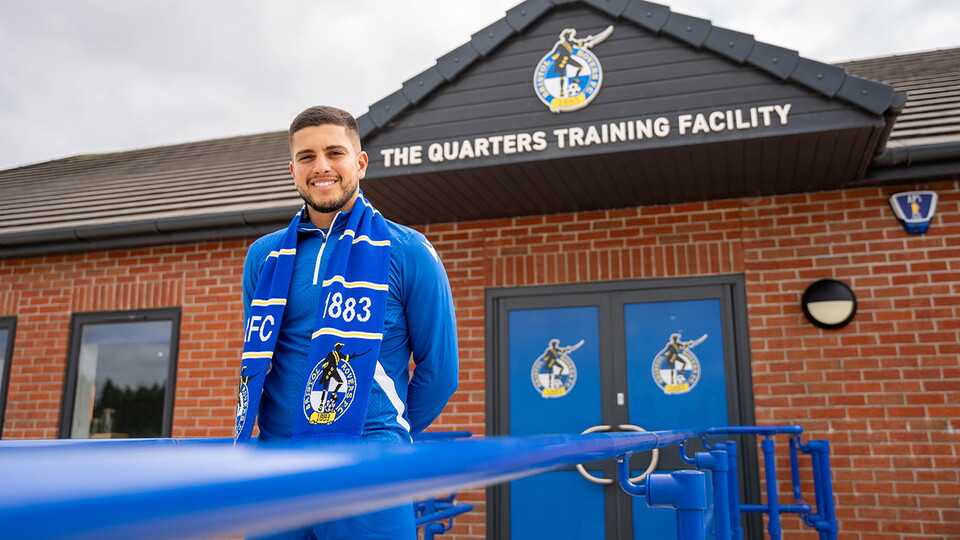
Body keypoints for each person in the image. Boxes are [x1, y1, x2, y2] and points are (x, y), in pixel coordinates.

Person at [236, 105, 459, 539]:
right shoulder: (263, 256)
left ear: (360, 162)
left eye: (334, 153)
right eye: (306, 157)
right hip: (276, 466)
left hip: (368, 468)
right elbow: (263, 361)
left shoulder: (408, 250)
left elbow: (440, 374)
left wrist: (381, 435)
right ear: (293, 170)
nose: (321, 166)